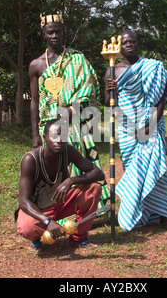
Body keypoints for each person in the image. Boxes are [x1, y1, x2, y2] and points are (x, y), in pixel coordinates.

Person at [28, 12, 109, 215]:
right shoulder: (36, 65)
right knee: (52, 169)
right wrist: (35, 136)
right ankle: (55, 210)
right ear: (44, 35)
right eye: (50, 32)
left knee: (80, 164)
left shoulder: (77, 59)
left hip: (74, 124)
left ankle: (87, 208)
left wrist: (72, 109)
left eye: (58, 31)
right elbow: (34, 101)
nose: (55, 36)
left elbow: (89, 88)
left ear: (64, 33)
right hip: (48, 125)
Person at [105, 30, 167, 231]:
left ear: (138, 44)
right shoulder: (113, 71)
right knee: (132, 169)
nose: (129, 44)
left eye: (132, 41)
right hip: (127, 127)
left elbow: (161, 99)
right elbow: (109, 105)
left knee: (157, 170)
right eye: (125, 42)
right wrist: (111, 90)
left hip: (151, 124)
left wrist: (152, 124)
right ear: (119, 47)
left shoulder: (153, 68)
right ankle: (137, 211)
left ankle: (163, 216)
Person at [16, 118, 104, 251]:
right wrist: (47, 221)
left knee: (94, 188)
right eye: (54, 136)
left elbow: (98, 174)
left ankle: (78, 238)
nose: (59, 140)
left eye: (63, 136)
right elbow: (23, 201)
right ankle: (36, 238)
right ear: (44, 137)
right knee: (26, 228)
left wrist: (71, 180)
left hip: (60, 202)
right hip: (39, 209)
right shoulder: (30, 159)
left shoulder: (68, 151)